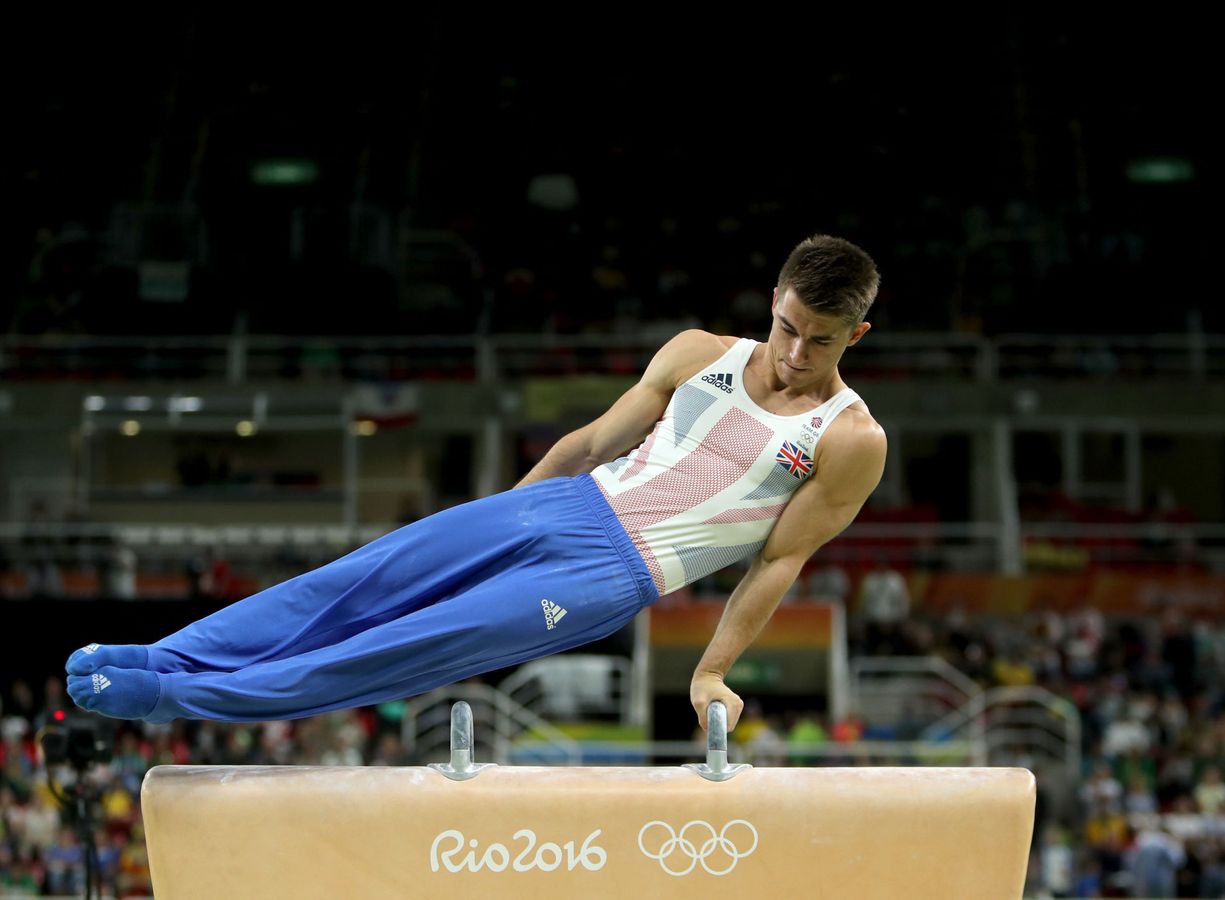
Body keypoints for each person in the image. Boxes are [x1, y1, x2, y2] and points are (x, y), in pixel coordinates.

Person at [65, 235, 887, 733]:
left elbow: (776, 562)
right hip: (560, 503)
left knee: (399, 648)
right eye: (786, 327)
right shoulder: (696, 350)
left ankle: (172, 700)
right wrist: (513, 509)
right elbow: (594, 440)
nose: (792, 354)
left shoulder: (850, 438)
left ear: (856, 334)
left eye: (819, 341)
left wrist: (710, 670)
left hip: (611, 573)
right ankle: (159, 657)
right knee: (352, 584)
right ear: (772, 299)